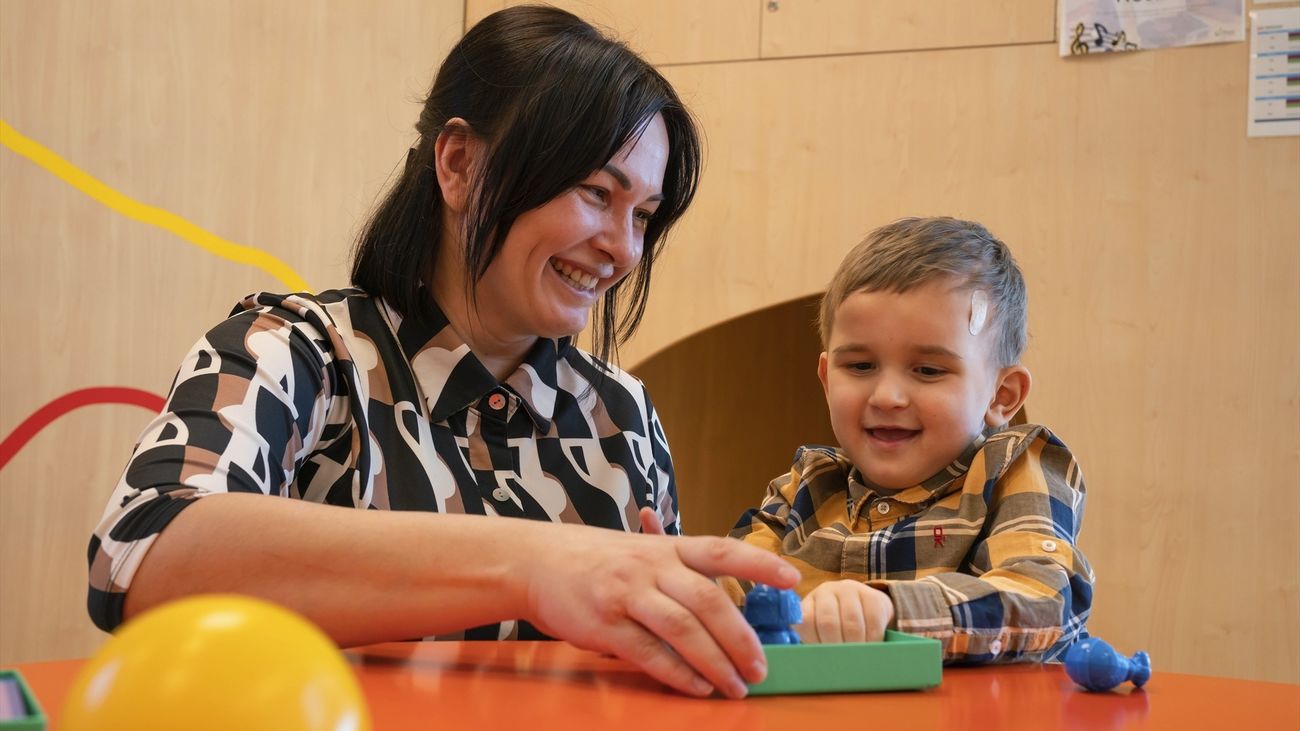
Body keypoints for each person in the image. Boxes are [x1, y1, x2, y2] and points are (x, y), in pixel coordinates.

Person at [87, 6, 798, 699]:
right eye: (594, 193)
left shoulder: (623, 413)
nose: (621, 248)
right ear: (458, 163)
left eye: (643, 215)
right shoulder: (295, 353)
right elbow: (141, 549)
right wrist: (532, 562)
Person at [724, 217, 1094, 662]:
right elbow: (735, 586)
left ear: (1001, 395)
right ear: (826, 380)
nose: (887, 397)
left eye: (929, 370)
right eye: (860, 366)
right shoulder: (803, 486)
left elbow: (1042, 599)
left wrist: (890, 607)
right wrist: (680, 582)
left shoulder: (1013, 469)